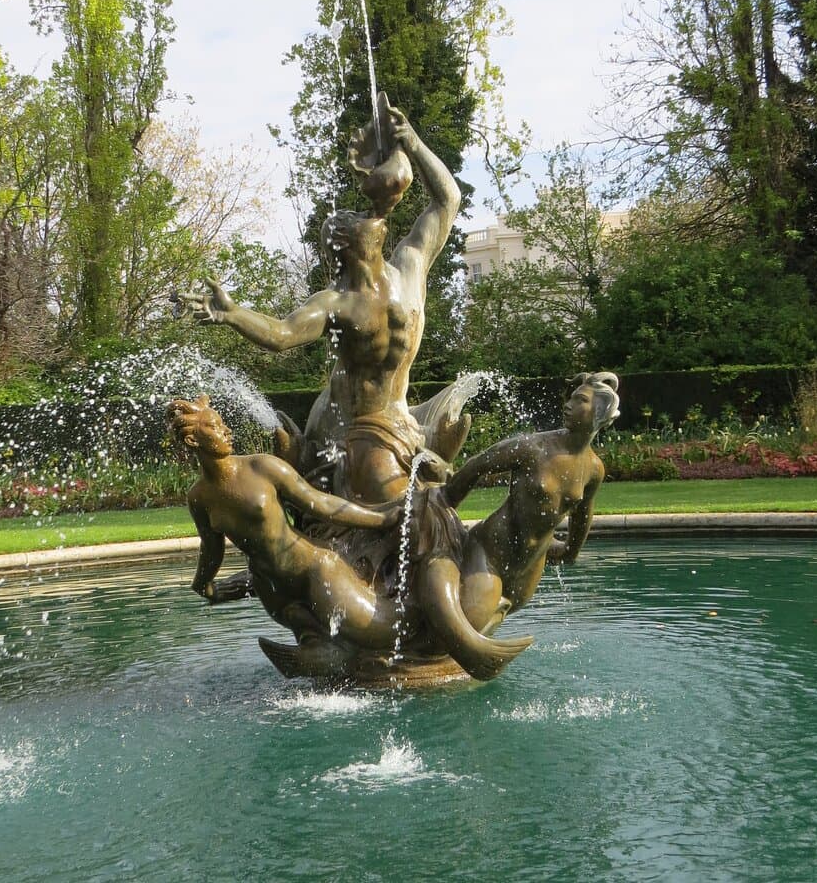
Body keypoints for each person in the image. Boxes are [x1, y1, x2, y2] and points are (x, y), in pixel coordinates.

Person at [181, 100, 461, 504]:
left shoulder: (410, 265)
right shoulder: (336, 303)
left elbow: (447, 199)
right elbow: (281, 335)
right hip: (342, 429)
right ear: (346, 245)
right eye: (352, 217)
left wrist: (413, 143)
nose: (366, 215)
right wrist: (232, 313)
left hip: (397, 417)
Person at [414, 373, 619, 673]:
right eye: (572, 397)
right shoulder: (534, 448)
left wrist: (571, 551)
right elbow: (478, 465)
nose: (569, 404)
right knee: (470, 620)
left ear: (600, 414)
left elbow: (582, 513)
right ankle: (422, 657)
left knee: (483, 624)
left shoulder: (593, 468)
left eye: (581, 400)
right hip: (492, 552)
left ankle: (450, 662)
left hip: (530, 568)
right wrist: (444, 502)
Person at [169, 396, 404, 652]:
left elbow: (321, 504)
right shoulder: (199, 497)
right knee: (321, 654)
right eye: (215, 426)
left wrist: (381, 519)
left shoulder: (263, 467)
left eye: (223, 423)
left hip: (314, 571)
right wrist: (202, 583)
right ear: (193, 440)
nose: (226, 431)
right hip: (272, 589)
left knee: (379, 636)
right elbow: (212, 548)